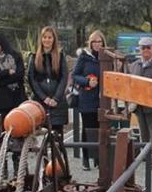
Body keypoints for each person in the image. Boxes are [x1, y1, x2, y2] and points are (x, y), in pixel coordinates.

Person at [72, 30, 105, 170]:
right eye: (94, 41)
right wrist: (86, 81)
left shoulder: (106, 56)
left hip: (102, 99)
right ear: (90, 43)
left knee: (100, 128)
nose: (97, 44)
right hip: (86, 99)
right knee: (87, 128)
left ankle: (98, 158)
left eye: (99, 41)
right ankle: (86, 158)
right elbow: (75, 75)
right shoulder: (84, 57)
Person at [28, 27, 68, 136]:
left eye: (50, 37)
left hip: (57, 103)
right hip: (40, 102)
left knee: (57, 137)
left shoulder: (60, 56)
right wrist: (44, 98)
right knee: (41, 138)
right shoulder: (34, 57)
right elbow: (31, 79)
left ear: (54, 39)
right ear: (41, 39)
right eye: (44, 37)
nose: (47, 40)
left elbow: (64, 77)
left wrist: (56, 98)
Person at [129, 36, 152, 167]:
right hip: (139, 106)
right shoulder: (135, 65)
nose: (146, 50)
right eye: (143, 48)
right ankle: (146, 155)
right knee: (143, 133)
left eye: (149, 47)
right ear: (140, 49)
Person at [0, 32, 27, 134]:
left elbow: (19, 75)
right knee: (1, 134)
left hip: (16, 100)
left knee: (18, 133)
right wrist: (6, 72)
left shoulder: (16, 56)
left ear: (1, 42)